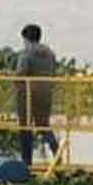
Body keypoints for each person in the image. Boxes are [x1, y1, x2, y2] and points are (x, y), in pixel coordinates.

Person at [13, 23, 59, 165]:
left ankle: (27, 162)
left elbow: (21, 73)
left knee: (25, 128)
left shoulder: (26, 53)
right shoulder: (49, 53)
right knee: (44, 125)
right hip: (45, 93)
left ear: (26, 38)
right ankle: (57, 154)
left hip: (28, 94)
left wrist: (8, 75)